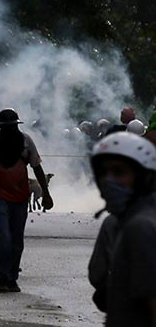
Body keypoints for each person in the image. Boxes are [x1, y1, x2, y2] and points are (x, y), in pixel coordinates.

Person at [0, 108, 53, 293]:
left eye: (13, 126)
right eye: (7, 126)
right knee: (3, 238)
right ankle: (3, 278)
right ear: (0, 127)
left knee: (17, 241)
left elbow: (37, 168)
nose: (11, 129)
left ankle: (12, 278)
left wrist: (46, 193)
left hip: (21, 197)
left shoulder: (27, 141)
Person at [86, 131, 156, 326]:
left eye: (119, 172)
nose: (109, 181)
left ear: (143, 177)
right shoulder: (120, 220)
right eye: (104, 173)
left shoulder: (140, 227)